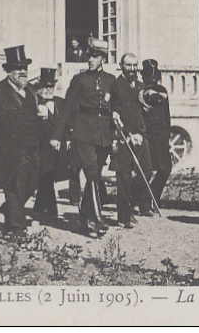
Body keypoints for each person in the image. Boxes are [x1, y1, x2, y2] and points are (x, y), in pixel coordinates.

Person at [51, 38, 118, 237]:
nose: (90, 60)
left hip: (104, 134)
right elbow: (65, 109)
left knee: (95, 176)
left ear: (103, 59)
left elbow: (118, 105)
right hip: (83, 133)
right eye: (89, 56)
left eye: (95, 56)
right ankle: (97, 220)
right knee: (91, 172)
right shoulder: (80, 80)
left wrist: (116, 114)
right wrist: (57, 135)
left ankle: (84, 220)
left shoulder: (110, 80)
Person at [0, 45, 41, 235]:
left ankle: (10, 210)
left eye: (25, 68)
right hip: (7, 150)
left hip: (31, 148)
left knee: (31, 185)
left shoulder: (31, 91)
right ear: (8, 71)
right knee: (14, 186)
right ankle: (17, 228)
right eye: (17, 68)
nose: (23, 72)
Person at [110, 53, 155, 228]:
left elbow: (145, 112)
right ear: (121, 66)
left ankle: (130, 206)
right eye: (129, 65)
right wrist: (127, 133)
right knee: (124, 177)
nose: (132, 69)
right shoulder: (115, 85)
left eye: (135, 65)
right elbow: (113, 111)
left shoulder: (141, 86)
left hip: (140, 135)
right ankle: (123, 216)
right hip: (123, 137)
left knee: (147, 172)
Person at [32, 68, 66, 220]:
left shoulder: (60, 102)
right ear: (39, 89)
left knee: (48, 177)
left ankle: (39, 208)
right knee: (46, 175)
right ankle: (51, 210)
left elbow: (66, 121)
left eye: (51, 87)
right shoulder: (34, 103)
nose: (48, 90)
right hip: (41, 146)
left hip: (59, 146)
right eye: (45, 87)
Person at [139, 59, 172, 205]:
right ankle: (142, 201)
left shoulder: (161, 91)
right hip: (146, 136)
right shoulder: (139, 91)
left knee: (165, 169)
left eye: (154, 76)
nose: (152, 79)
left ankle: (151, 197)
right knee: (146, 170)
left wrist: (167, 136)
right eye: (149, 76)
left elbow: (166, 115)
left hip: (160, 135)